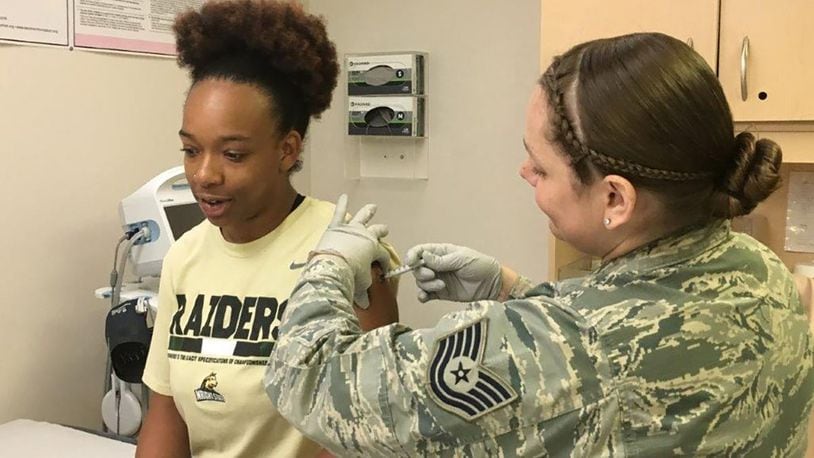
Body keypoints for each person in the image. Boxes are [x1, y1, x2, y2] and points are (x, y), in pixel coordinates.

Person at [265, 32, 814, 456]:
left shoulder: (574, 348)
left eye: (542, 165)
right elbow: (628, 350)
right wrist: (512, 291)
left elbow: (309, 382)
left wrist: (329, 260)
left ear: (615, 199)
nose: (524, 171)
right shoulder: (757, 269)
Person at [135, 1, 399, 457]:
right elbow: (167, 410)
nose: (204, 175)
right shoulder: (186, 255)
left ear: (286, 149)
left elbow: (362, 428)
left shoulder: (346, 255)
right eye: (191, 150)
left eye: (233, 154)